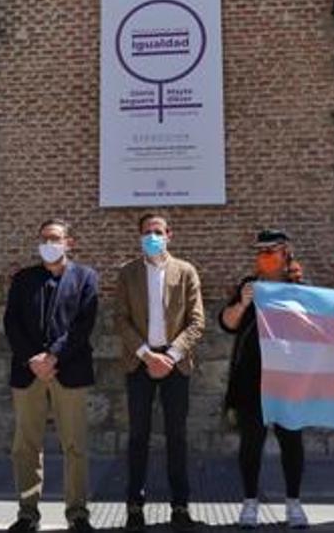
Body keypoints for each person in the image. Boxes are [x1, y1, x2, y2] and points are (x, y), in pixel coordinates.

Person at [3, 219, 99, 533]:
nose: (49, 243)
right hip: (28, 372)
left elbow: (83, 325)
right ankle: (27, 512)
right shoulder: (23, 279)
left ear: (69, 242)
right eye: (44, 238)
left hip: (68, 370)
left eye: (55, 238)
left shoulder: (85, 278)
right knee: (25, 446)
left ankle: (77, 513)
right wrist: (33, 358)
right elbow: (12, 323)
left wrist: (54, 356)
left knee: (75, 445)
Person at [114, 211, 205, 533]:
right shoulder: (128, 273)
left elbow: (197, 321)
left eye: (158, 231)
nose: (153, 236)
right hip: (139, 361)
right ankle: (135, 505)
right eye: (147, 232)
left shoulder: (186, 271)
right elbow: (120, 319)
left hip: (175, 363)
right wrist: (146, 354)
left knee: (176, 436)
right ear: (139, 236)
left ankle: (179, 505)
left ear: (170, 235)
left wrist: (173, 354)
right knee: (138, 436)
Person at [219, 229, 308, 529]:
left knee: (292, 442)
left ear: (285, 254)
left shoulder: (300, 289)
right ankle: (249, 505)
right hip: (251, 380)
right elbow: (227, 323)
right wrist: (243, 303)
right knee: (251, 443)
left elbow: (313, 332)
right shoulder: (249, 285)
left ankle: (294, 504)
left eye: (271, 251)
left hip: (288, 380)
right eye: (261, 252)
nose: (265, 257)